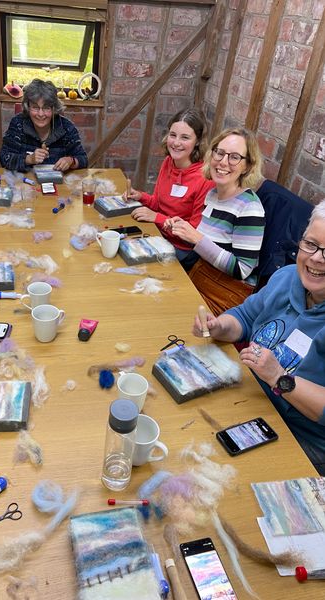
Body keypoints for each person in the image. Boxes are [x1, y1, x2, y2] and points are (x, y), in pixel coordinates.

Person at [192, 200, 325, 475]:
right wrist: (219, 326)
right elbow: (245, 316)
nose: (315, 258)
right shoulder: (287, 277)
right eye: (310, 244)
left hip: (301, 440)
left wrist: (279, 377)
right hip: (253, 401)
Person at [166, 127, 265, 315]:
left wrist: (196, 238)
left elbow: (242, 269)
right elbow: (212, 240)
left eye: (235, 157)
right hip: (199, 278)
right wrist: (182, 228)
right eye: (219, 153)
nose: (223, 162)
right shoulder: (213, 194)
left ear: (248, 166)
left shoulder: (249, 207)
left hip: (222, 296)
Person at [126, 108, 214, 261]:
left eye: (185, 137)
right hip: (158, 235)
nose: (176, 143)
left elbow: (192, 232)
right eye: (173, 135)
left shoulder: (205, 178)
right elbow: (158, 203)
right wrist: (140, 196)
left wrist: (156, 218)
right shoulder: (169, 162)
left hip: (182, 250)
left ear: (198, 141)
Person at [0, 79, 88, 173]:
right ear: (28, 107)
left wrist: (70, 161)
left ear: (54, 109)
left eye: (46, 108)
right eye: (35, 107)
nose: (41, 114)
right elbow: (4, 158)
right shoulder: (18, 123)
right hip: (24, 184)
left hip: (58, 184)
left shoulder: (67, 127)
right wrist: (29, 159)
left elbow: (83, 160)